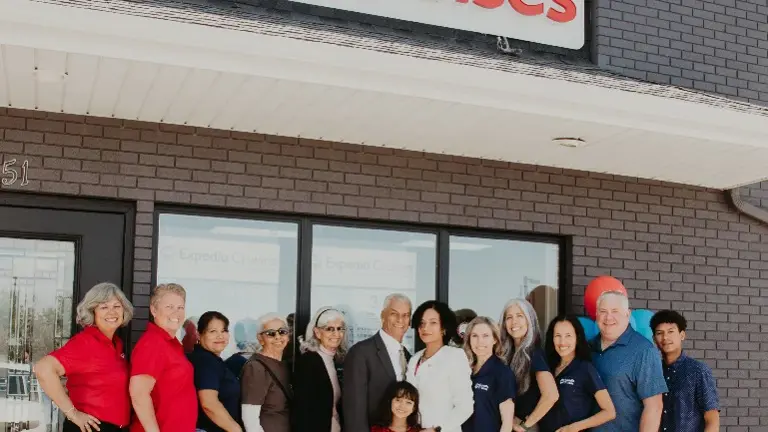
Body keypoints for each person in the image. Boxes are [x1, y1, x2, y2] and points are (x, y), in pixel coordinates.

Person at [35, 282, 134, 432]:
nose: (112, 312)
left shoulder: (116, 344)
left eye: (116, 306)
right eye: (104, 307)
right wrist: (72, 414)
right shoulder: (86, 343)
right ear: (92, 312)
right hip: (91, 428)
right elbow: (43, 369)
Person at [590, 291, 667, 432]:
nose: (608, 317)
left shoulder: (644, 350)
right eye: (603, 311)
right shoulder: (587, 348)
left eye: (615, 311)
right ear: (596, 314)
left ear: (627, 314)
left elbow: (654, 407)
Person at [129, 283, 197, 432]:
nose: (176, 313)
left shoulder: (172, 344)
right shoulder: (153, 343)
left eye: (180, 308)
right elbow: (139, 393)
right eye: (169, 307)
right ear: (154, 310)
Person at [343, 293, 414, 432]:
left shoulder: (408, 356)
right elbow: (354, 410)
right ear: (383, 315)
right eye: (394, 314)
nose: (400, 320)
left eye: (406, 315)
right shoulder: (361, 353)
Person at [406, 300, 473, 432]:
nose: (425, 328)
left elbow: (465, 407)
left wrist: (437, 429)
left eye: (433, 323)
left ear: (443, 328)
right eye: (422, 323)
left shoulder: (454, 356)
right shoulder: (415, 359)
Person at [539, 315, 615, 432]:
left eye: (568, 336)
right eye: (557, 336)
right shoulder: (546, 366)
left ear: (577, 338)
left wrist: (574, 427)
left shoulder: (585, 369)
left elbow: (609, 412)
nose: (562, 342)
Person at [650, 310, 720, 432]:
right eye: (659, 333)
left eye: (671, 332)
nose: (665, 337)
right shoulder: (653, 372)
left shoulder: (698, 371)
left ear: (682, 335)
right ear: (654, 339)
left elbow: (712, 418)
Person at [499, 298, 558, 432]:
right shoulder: (506, 353)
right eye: (509, 317)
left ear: (529, 320)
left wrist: (526, 425)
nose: (514, 322)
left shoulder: (534, 353)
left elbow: (551, 395)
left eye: (520, 316)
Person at [293, 307, 347, 432]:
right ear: (317, 332)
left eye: (340, 329)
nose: (336, 334)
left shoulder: (336, 360)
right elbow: (302, 411)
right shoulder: (309, 361)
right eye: (329, 329)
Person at [187, 311, 243, 432]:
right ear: (198, 334)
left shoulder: (212, 360)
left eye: (224, 331)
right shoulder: (206, 362)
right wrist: (236, 430)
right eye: (213, 331)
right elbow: (209, 403)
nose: (220, 336)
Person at [461, 317, 516, 432]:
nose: (480, 341)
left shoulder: (502, 372)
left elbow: (507, 423)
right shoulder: (464, 370)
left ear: (495, 339)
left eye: (485, 336)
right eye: (475, 336)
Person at [241, 313, 292, 432]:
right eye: (270, 333)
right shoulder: (256, 368)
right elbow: (250, 419)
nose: (278, 337)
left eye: (282, 331)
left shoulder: (284, 365)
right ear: (260, 339)